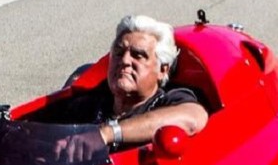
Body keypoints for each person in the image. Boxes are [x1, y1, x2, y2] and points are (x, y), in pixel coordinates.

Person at [44, 15, 208, 149]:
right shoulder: (90, 103)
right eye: (119, 52)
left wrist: (108, 133)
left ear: (162, 70)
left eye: (138, 55)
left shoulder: (170, 101)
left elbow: (193, 118)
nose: (124, 60)